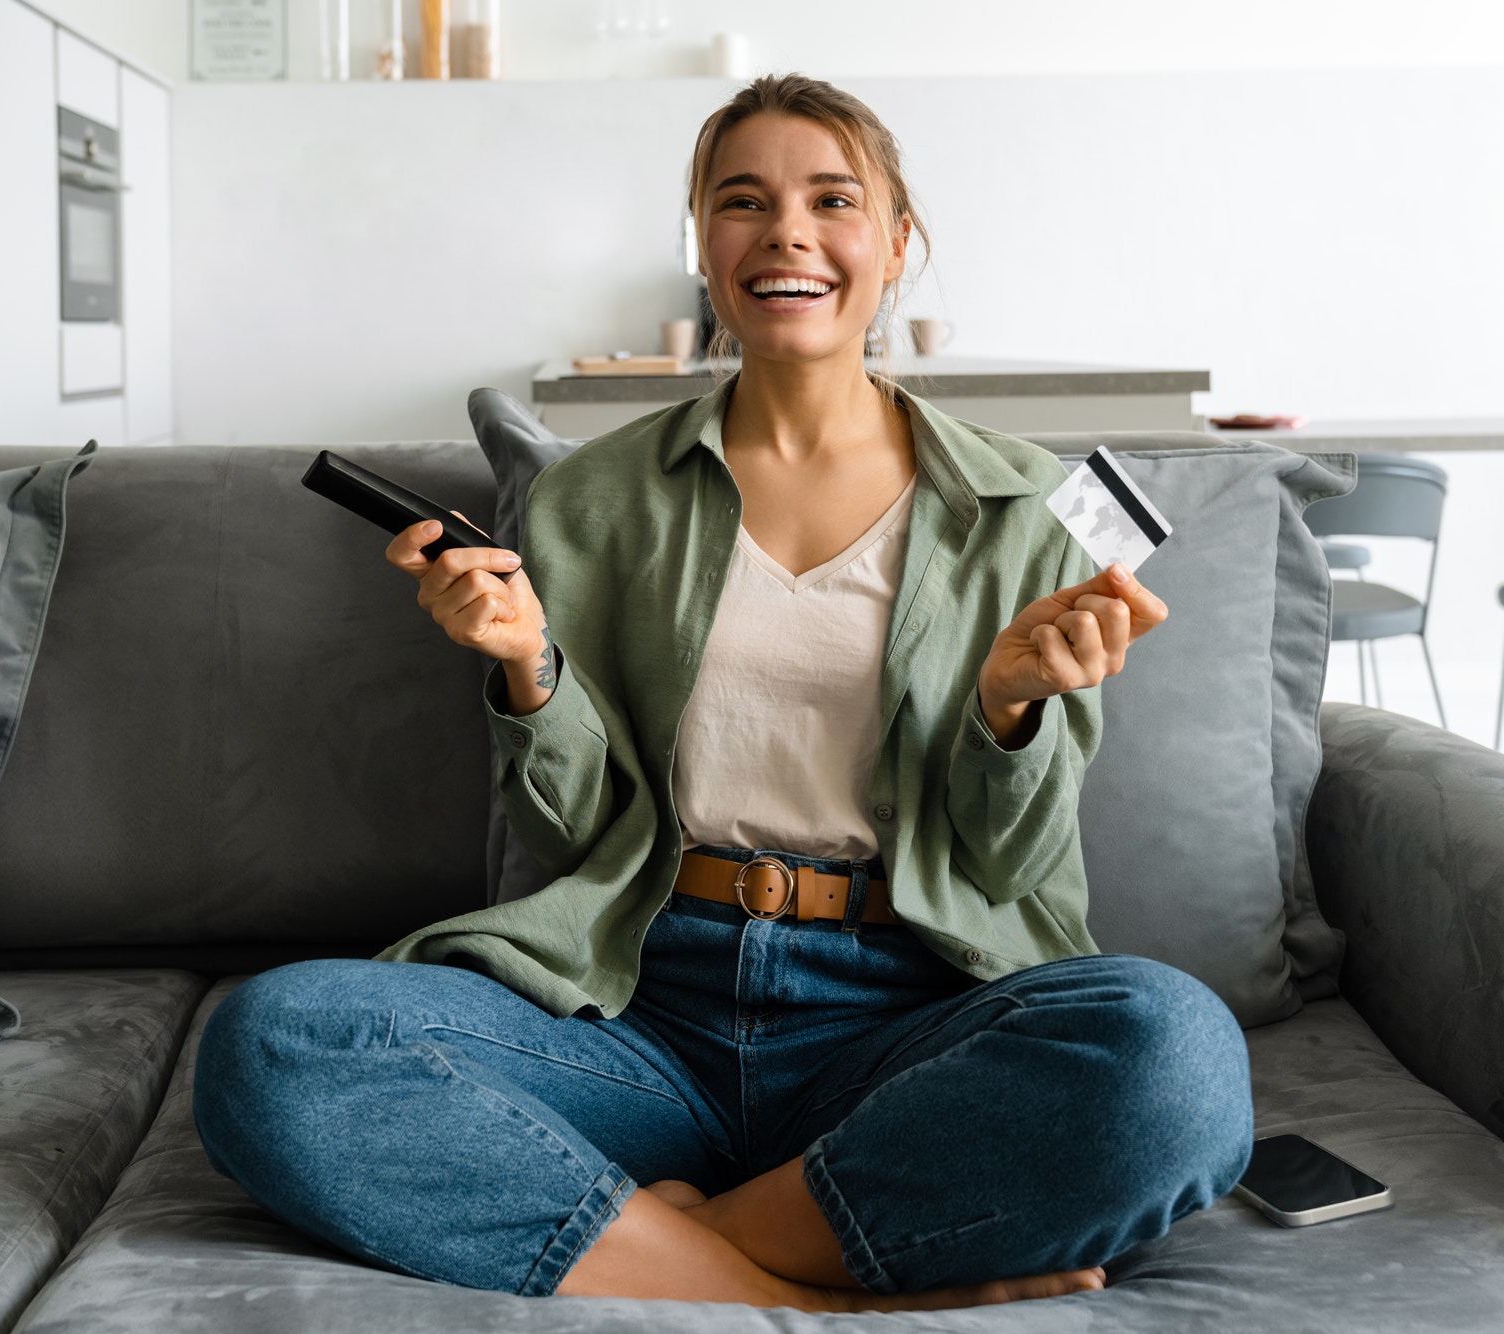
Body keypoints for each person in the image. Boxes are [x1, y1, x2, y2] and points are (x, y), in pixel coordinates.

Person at [193, 73, 1252, 1314]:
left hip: (903, 1012)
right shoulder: (594, 499)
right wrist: (527, 668)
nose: (785, 232)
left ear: (897, 243)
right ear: (703, 242)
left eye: (831, 199)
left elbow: (1012, 866)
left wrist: (1006, 707)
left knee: (1169, 1052)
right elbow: (577, 836)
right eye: (741, 201)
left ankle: (671, 1240)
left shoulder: (1019, 508)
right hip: (642, 1008)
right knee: (273, 1041)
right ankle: (819, 1289)